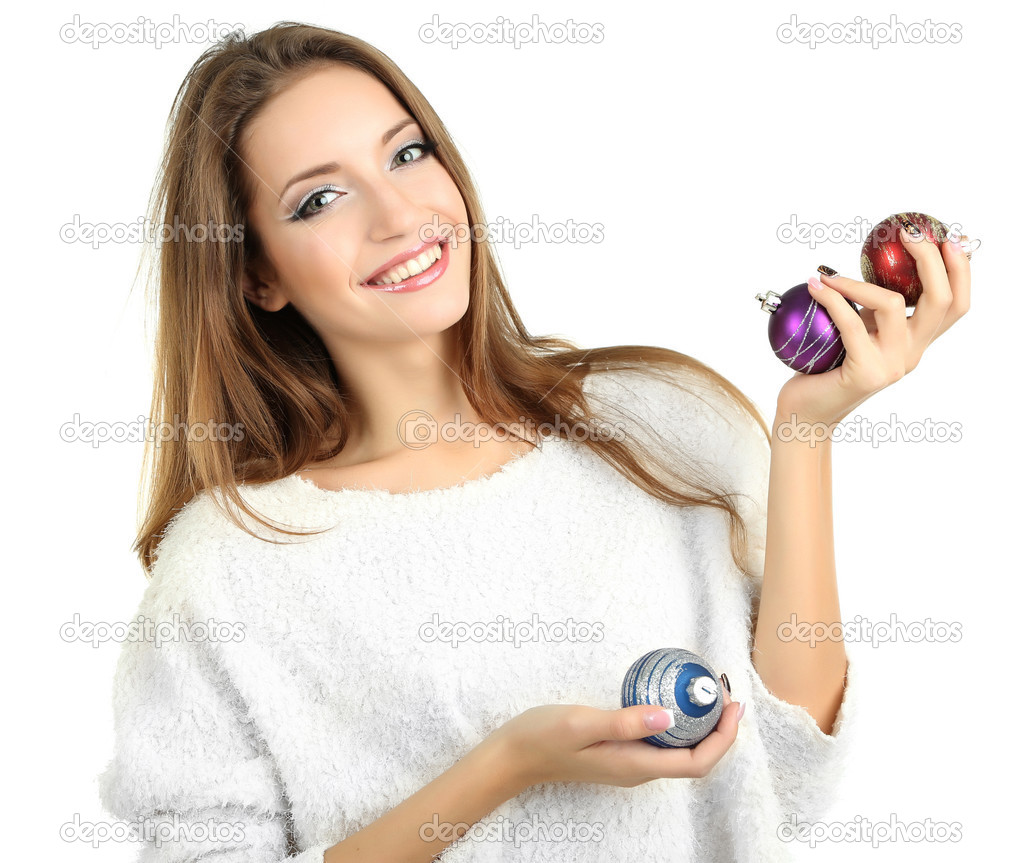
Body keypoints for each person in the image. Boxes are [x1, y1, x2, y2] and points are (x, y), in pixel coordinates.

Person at [97, 21, 970, 863]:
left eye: (407, 153)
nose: (400, 214)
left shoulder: (663, 421)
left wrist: (806, 431)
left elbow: (793, 776)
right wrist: (503, 767)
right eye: (320, 198)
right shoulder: (228, 565)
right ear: (257, 274)